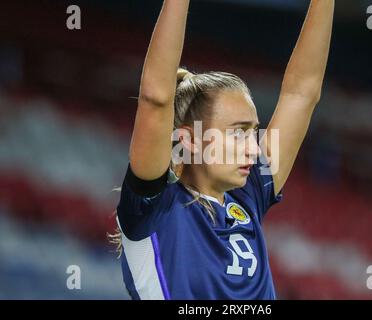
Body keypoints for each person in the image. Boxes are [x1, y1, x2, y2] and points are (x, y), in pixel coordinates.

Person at [113, 0, 334, 300]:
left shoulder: (248, 196)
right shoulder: (154, 207)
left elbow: (301, 93)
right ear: (189, 140)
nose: (254, 147)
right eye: (238, 133)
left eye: (254, 132)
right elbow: (155, 97)